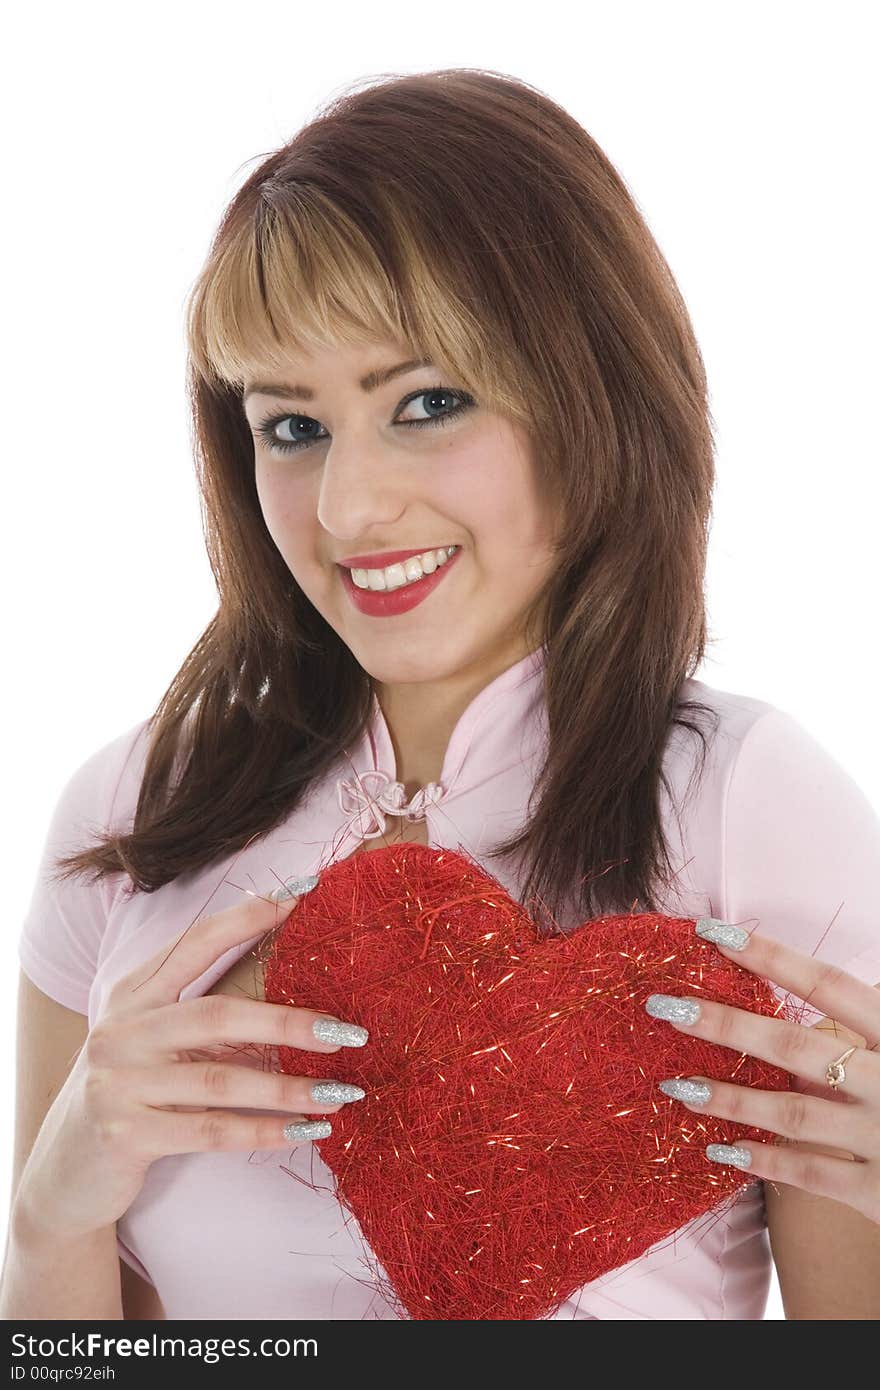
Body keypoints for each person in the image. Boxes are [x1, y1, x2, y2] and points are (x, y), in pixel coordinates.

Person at [3, 67, 879, 1322]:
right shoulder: (134, 813)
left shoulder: (749, 799)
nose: (350, 510)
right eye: (290, 426)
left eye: (427, 403)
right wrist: (49, 1218)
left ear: (593, 398)